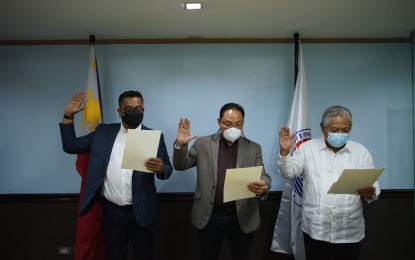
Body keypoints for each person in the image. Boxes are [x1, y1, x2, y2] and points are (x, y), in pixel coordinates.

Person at [60, 90, 173, 260]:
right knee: (114, 255)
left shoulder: (154, 137)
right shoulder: (103, 133)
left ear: (143, 110)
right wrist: (68, 117)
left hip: (141, 211)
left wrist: (160, 168)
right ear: (119, 111)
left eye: (139, 109)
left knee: (144, 256)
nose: (135, 113)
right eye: (129, 109)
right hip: (113, 212)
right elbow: (71, 146)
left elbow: (167, 170)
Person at [277, 105, 380, 260]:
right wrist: (285, 153)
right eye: (335, 130)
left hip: (349, 232)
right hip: (316, 230)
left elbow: (373, 185)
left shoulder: (361, 152)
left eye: (345, 130)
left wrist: (372, 192)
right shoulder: (307, 149)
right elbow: (288, 172)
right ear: (322, 128)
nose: (340, 134)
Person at [173, 103, 271, 260]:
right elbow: (180, 165)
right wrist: (181, 145)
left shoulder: (253, 148)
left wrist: (264, 186)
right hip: (210, 216)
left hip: (242, 216)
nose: (233, 128)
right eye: (228, 123)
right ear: (219, 122)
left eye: (238, 124)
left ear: (243, 123)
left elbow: (263, 175)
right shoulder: (202, 144)